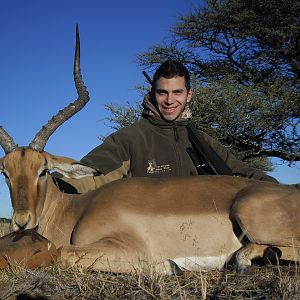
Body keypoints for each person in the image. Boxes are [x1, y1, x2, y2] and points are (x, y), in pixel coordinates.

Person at [57, 60, 277, 193]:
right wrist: (53, 184)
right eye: (163, 92)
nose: (170, 100)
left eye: (177, 92)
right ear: (153, 94)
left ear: (189, 95)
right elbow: (89, 174)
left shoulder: (202, 139)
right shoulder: (131, 137)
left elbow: (243, 171)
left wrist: (282, 192)